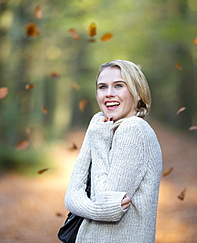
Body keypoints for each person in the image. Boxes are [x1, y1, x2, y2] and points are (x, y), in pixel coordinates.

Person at [64, 59, 162, 242]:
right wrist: (96, 209)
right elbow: (71, 196)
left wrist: (99, 140)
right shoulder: (100, 125)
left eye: (118, 86)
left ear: (138, 93)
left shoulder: (133, 130)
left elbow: (105, 203)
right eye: (102, 87)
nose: (109, 94)